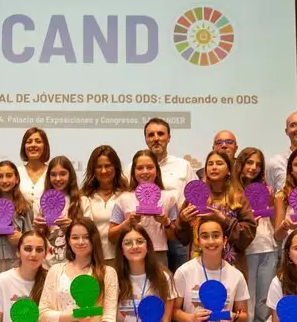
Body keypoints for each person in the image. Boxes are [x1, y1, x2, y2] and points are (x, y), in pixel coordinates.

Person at [235, 146, 277, 322]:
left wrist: (270, 202)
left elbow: (274, 220)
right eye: (249, 162)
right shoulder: (233, 191)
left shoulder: (266, 190)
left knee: (262, 312)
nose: (253, 168)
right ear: (240, 163)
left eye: (257, 164)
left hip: (268, 249)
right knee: (247, 314)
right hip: (247, 253)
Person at [177, 150, 256, 276]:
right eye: (210, 164)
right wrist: (182, 220)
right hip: (198, 265)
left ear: (229, 169)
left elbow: (248, 234)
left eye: (219, 163)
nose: (214, 167)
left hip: (231, 265)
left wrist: (224, 220)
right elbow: (183, 239)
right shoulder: (195, 195)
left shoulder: (238, 197)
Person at [109, 149, 178, 268]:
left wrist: (166, 222)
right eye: (140, 168)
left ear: (157, 171)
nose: (145, 171)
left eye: (150, 167)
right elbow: (111, 237)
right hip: (131, 254)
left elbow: (174, 237)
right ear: (133, 172)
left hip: (158, 254)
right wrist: (127, 223)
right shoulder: (123, 199)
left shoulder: (169, 198)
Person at [144, 117, 197, 270]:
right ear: (146, 139)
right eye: (151, 135)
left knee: (181, 278)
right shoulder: (134, 168)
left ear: (168, 138)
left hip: (177, 233)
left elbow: (196, 198)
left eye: (160, 134)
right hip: (148, 236)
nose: (156, 138)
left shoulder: (183, 166)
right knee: (155, 280)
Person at [34, 155, 92, 266]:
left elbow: (91, 233)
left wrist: (73, 227)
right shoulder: (39, 203)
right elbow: (36, 238)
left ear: (70, 175)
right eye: (53, 174)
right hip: (46, 264)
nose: (58, 179)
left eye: (63, 174)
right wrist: (37, 229)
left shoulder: (82, 202)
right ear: (48, 177)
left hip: (76, 263)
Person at [80, 145, 127, 262]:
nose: (103, 171)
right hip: (92, 259)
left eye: (108, 166)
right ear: (92, 170)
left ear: (116, 167)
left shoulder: (126, 194)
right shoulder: (84, 196)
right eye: (99, 167)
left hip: (121, 259)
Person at [17, 127, 50, 211]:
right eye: (29, 142)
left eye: (38, 141)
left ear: (45, 146)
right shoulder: (16, 172)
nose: (33, 145)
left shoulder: (52, 173)